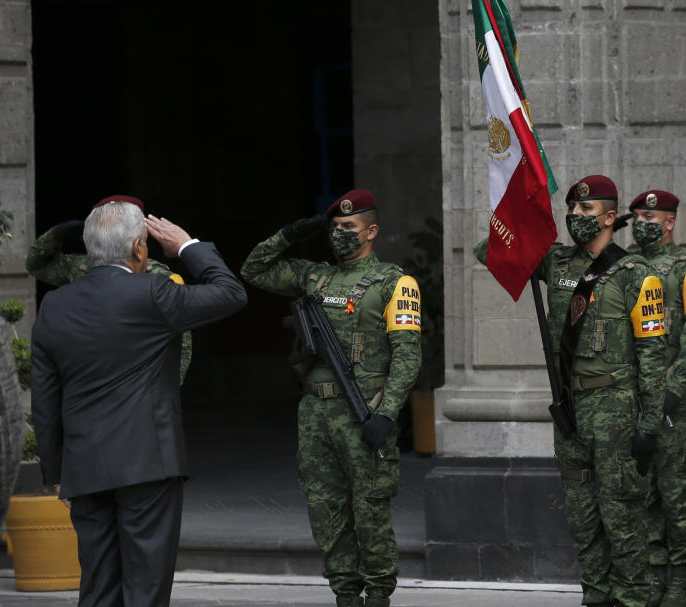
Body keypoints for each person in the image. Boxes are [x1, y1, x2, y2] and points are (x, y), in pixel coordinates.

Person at [31, 202, 247, 606]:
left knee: (97, 587)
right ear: (138, 248)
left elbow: (45, 397)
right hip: (148, 463)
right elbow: (231, 293)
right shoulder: (154, 292)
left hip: (85, 467)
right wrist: (187, 246)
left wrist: (56, 470)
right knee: (145, 587)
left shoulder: (55, 305)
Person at [475, 175, 668, 607]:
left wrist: (650, 422)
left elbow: (654, 355)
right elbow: (490, 251)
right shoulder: (557, 264)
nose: (576, 217)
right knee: (583, 518)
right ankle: (596, 596)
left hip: (617, 407)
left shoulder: (637, 274)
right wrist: (517, 217)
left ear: (610, 217)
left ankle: (635, 598)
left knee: (622, 517)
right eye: (572, 210)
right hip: (571, 408)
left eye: (586, 210)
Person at [240, 190, 421, 607]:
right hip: (315, 412)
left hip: (365, 413)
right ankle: (344, 592)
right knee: (325, 508)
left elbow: (408, 357)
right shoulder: (313, 276)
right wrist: (287, 235)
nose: (340, 235)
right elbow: (253, 268)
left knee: (370, 510)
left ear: (371, 231)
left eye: (349, 228)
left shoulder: (395, 282)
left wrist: (387, 414)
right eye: (335, 228)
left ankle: (377, 593)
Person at [626, 190, 686, 607]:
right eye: (637, 215)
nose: (641, 222)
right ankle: (652, 578)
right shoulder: (621, 266)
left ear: (669, 222)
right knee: (642, 497)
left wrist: (673, 389)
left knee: (676, 497)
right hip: (631, 399)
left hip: (674, 403)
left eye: (649, 215)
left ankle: (678, 584)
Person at [26, 195, 194, 385]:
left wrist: (166, 389)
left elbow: (181, 341)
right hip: (90, 375)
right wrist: (58, 233)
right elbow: (36, 265)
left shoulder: (157, 277)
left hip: (139, 381)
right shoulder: (81, 267)